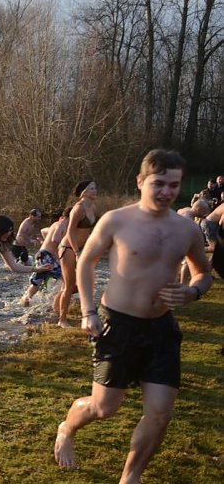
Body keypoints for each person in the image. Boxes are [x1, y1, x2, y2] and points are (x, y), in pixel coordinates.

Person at [53, 149, 212, 482]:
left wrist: (193, 291)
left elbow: (203, 273)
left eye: (174, 185)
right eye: (158, 183)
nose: (166, 191)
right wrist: (88, 311)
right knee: (104, 409)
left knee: (160, 414)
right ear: (141, 182)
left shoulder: (187, 230)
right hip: (118, 324)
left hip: (161, 330)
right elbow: (86, 263)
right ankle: (67, 427)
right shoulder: (116, 220)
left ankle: (131, 477)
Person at [56, 181, 99, 328]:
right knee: (70, 286)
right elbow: (70, 232)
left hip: (82, 248)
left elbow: (88, 231)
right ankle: (62, 320)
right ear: (84, 192)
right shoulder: (78, 208)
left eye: (95, 188)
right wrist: (77, 252)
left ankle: (58, 304)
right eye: (92, 189)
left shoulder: (92, 207)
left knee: (86, 282)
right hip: (68, 248)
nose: (95, 191)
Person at [21, 208, 70, 307]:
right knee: (66, 279)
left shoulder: (56, 224)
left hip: (42, 254)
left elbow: (43, 231)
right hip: (46, 256)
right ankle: (60, 304)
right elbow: (55, 240)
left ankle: (25, 301)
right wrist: (57, 254)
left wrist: (45, 243)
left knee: (37, 282)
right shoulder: (64, 225)